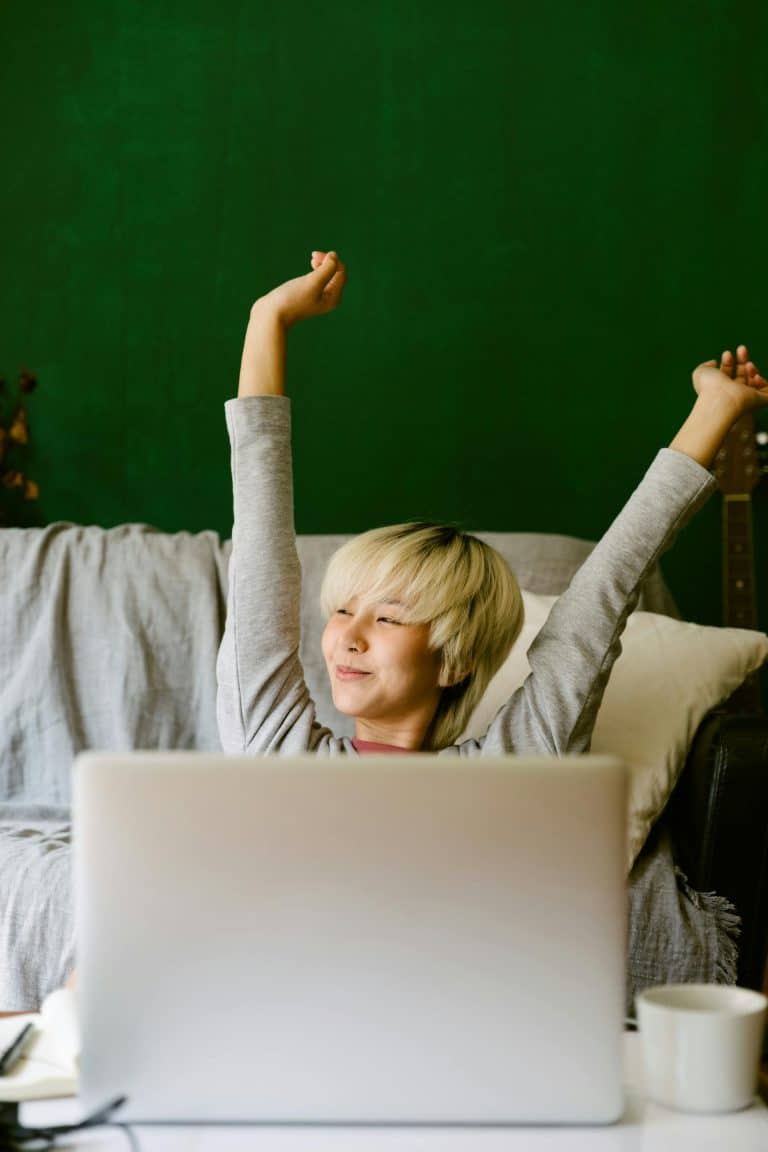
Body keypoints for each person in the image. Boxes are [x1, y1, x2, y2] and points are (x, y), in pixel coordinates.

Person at [215, 250, 768, 757]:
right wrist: (268, 319)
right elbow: (260, 558)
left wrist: (714, 411)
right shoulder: (276, 749)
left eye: (387, 618)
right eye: (341, 610)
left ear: (452, 661)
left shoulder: (514, 765)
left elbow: (604, 594)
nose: (349, 638)